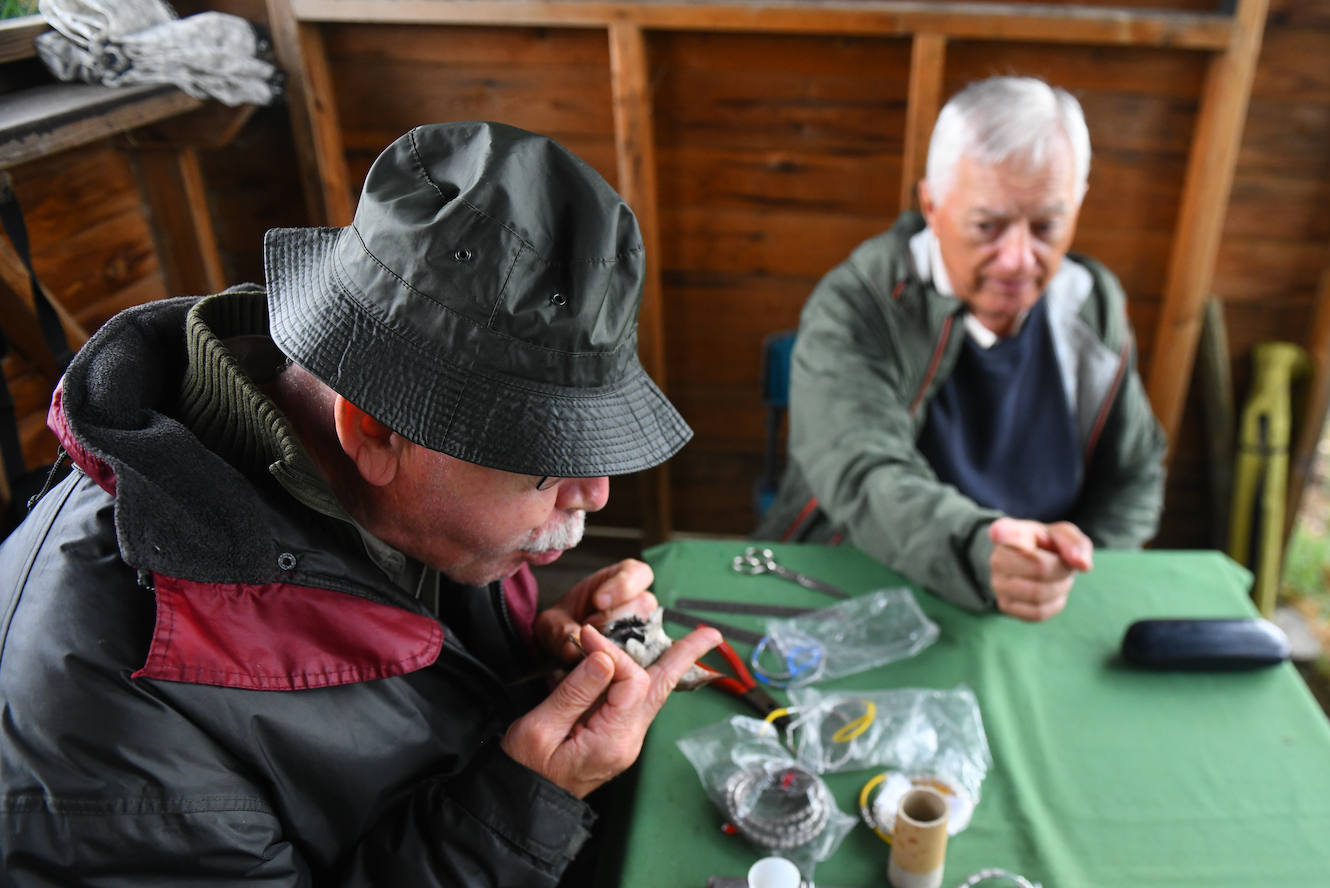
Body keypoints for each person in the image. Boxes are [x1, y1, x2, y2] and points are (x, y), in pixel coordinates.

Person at [0, 121, 721, 885]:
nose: (596, 495)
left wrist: (530, 670)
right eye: (546, 462)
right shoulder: (110, 735)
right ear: (374, 430)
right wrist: (522, 805)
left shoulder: (407, 479)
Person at [756, 76, 1167, 622]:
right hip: (863, 587)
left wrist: (1071, 570)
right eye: (987, 226)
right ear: (932, 204)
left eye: (1047, 226)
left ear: (1079, 203)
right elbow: (863, 473)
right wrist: (981, 550)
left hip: (1039, 605)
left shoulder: (1092, 304)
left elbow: (1135, 471)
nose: (1018, 259)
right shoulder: (858, 304)